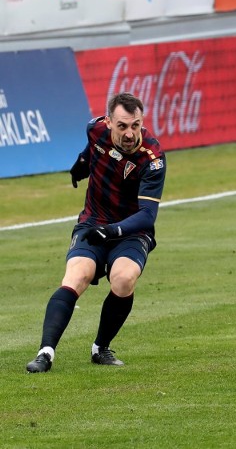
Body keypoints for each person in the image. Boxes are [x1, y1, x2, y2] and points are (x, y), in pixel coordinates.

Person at [26, 92, 166, 373]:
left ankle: (100, 347)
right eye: (123, 126)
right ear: (109, 121)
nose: (130, 133)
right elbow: (93, 149)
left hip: (131, 230)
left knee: (124, 279)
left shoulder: (153, 158)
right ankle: (45, 352)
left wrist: (113, 230)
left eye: (136, 125)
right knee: (77, 276)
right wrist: (81, 164)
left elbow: (147, 215)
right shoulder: (95, 128)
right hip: (93, 222)